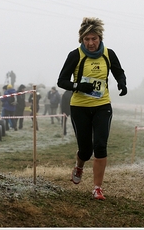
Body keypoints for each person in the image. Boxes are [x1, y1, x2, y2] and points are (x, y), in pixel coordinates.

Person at [57, 17, 127, 200]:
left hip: (102, 106)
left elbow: (119, 71)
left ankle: (97, 188)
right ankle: (79, 165)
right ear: (82, 40)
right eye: (86, 39)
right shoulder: (75, 55)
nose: (90, 43)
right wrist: (78, 86)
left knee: (101, 146)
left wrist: (122, 83)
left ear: (100, 38)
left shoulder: (108, 54)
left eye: (94, 39)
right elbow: (61, 81)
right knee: (86, 150)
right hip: (80, 107)